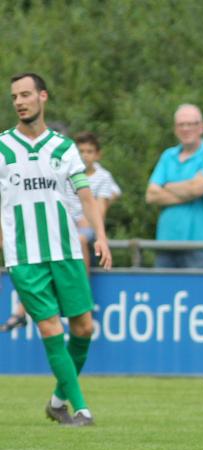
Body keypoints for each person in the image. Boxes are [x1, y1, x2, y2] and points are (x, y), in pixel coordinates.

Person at [0, 72, 112, 426]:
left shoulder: (64, 149)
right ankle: (81, 409)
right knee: (50, 327)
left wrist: (102, 237)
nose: (19, 101)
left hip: (64, 250)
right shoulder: (2, 147)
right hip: (24, 255)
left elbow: (86, 195)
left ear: (43, 97)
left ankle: (58, 401)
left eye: (26, 94)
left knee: (83, 328)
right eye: (15, 96)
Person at [1, 131, 121, 333]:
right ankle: (22, 310)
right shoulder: (65, 167)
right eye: (81, 151)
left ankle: (79, 289)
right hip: (62, 224)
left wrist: (92, 220)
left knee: (80, 239)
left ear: (97, 154)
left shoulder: (102, 176)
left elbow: (101, 202)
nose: (85, 155)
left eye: (89, 151)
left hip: (83, 228)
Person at [145, 104, 203, 268]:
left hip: (201, 247)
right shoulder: (168, 156)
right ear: (175, 129)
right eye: (181, 125)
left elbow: (198, 188)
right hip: (166, 245)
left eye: (191, 124)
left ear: (201, 127)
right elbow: (151, 195)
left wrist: (166, 186)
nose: (186, 129)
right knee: (163, 293)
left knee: (200, 293)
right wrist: (189, 191)